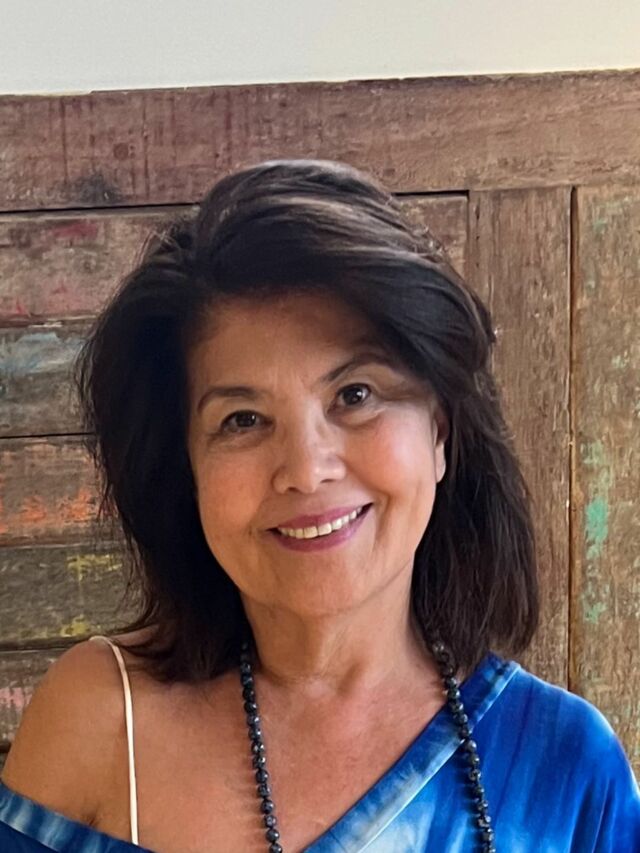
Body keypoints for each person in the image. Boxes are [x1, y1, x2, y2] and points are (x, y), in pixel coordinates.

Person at [0, 159, 638, 853]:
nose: (305, 470)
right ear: (186, 468)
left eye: (355, 395)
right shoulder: (99, 723)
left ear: (440, 432)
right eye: (242, 419)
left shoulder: (566, 772)